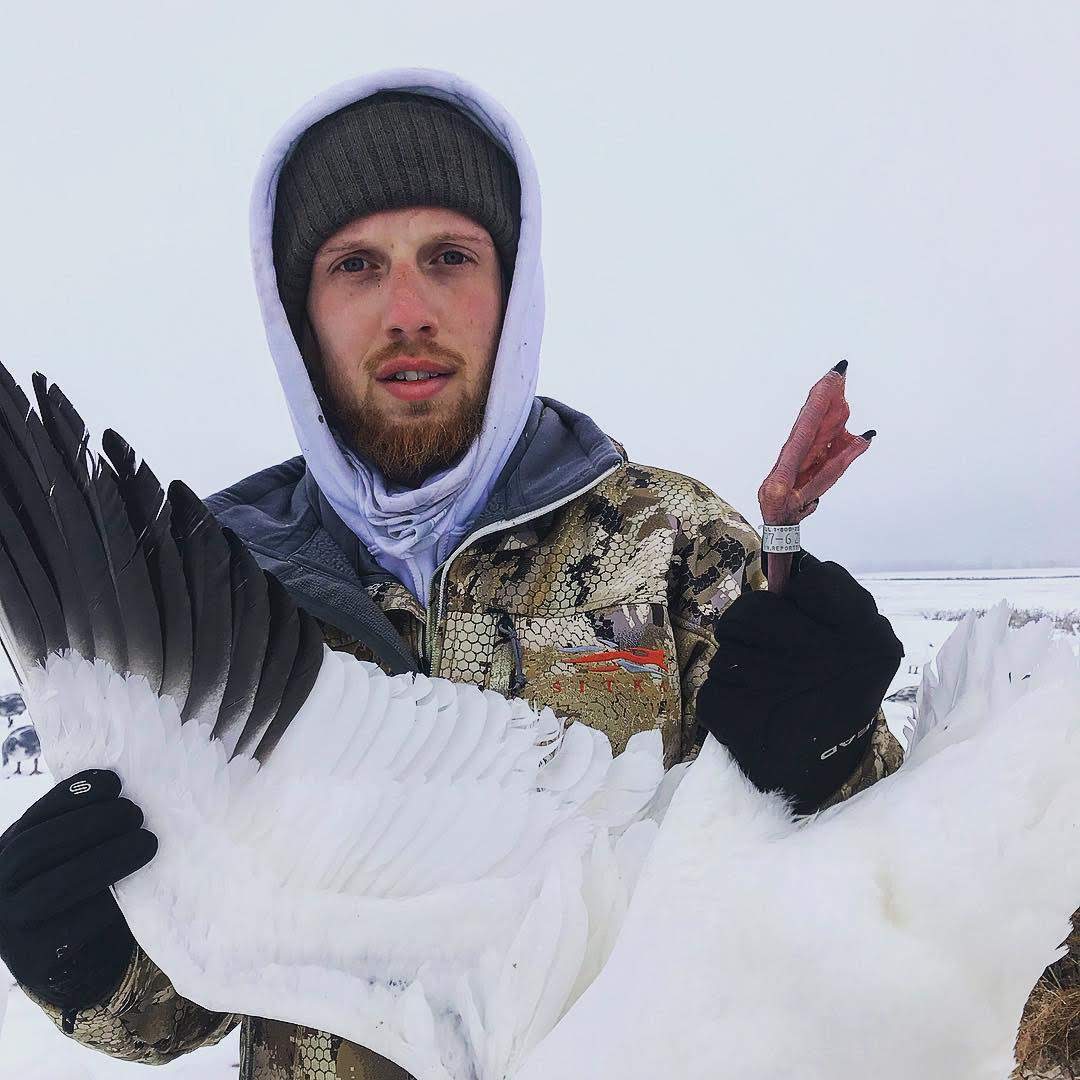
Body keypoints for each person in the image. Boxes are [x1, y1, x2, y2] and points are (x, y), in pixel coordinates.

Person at [0, 70, 911, 1079]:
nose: (407, 308)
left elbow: (866, 904)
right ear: (296, 312)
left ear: (512, 288)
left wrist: (836, 756)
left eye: (449, 256)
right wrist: (82, 957)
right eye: (354, 264)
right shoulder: (219, 582)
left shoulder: (672, 545)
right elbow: (180, 1008)